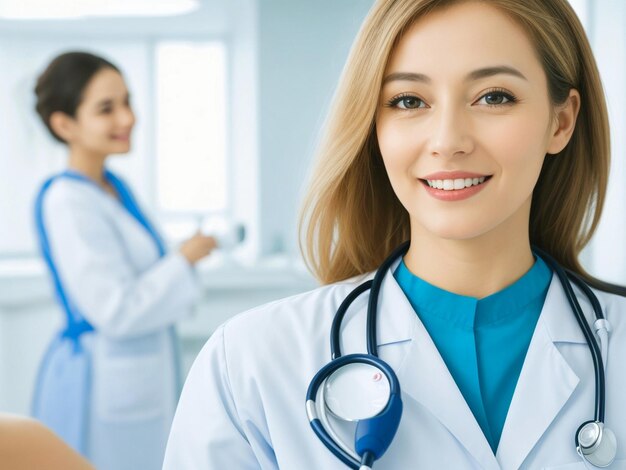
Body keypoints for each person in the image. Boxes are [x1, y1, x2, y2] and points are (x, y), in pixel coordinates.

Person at [163, 0, 626, 468]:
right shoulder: (251, 363)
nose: (448, 140)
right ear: (374, 125)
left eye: (494, 96)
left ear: (561, 121)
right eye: (409, 101)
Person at [32, 51, 217, 470]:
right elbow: (114, 310)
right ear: (65, 125)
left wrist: (180, 262)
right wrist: (183, 259)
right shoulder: (68, 200)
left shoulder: (113, 188)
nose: (128, 118)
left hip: (139, 372)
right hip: (104, 378)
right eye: (106, 108)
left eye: (127, 102)